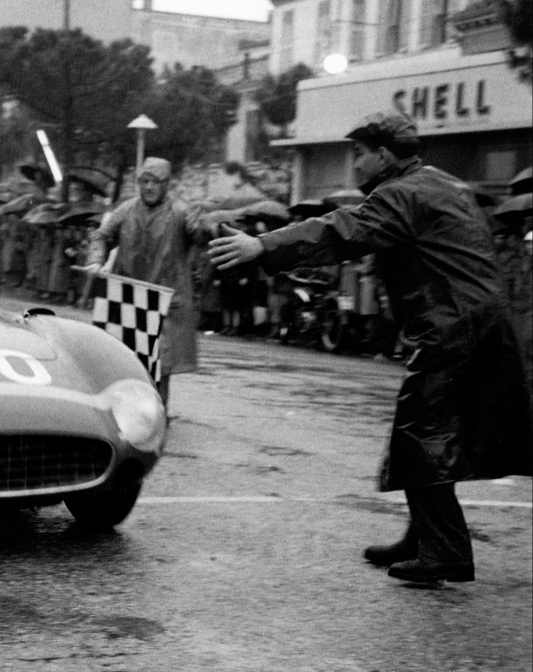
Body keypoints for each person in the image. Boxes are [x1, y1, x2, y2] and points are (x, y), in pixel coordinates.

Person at [208, 111, 533, 584]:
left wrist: (264, 247)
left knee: (422, 433)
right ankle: (424, 535)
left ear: (383, 154)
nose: (354, 165)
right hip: (477, 322)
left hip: (452, 325)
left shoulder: (404, 193)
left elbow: (343, 229)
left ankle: (445, 550)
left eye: (358, 155)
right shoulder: (444, 184)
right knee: (431, 432)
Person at [85, 157, 212, 406]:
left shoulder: (180, 212)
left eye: (156, 182)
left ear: (166, 185)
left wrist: (204, 228)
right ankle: (121, 407)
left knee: (160, 362)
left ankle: (157, 412)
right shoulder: (126, 210)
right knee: (123, 356)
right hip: (127, 296)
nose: (150, 187)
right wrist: (95, 260)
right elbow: (101, 236)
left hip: (165, 299)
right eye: (145, 181)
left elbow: (199, 237)